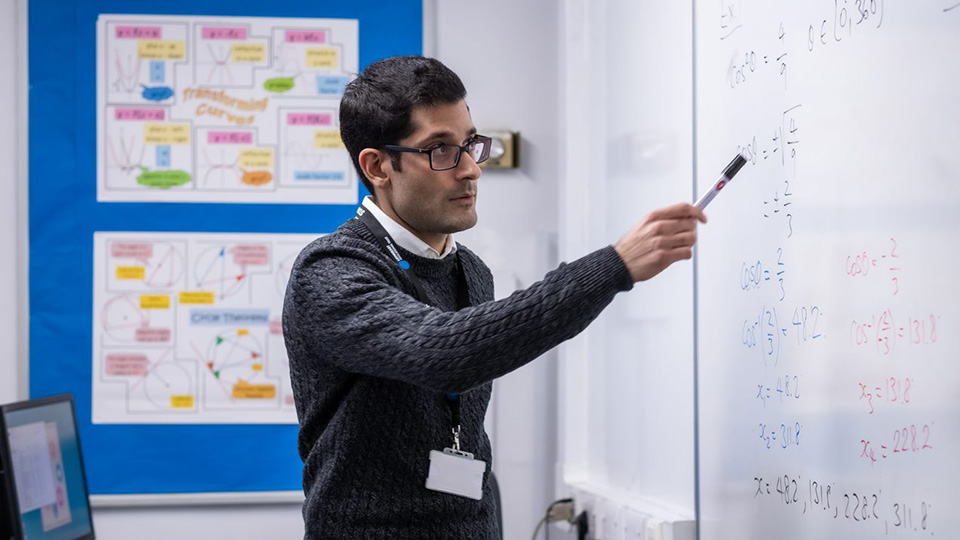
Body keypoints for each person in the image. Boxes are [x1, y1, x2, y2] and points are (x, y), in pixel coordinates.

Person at [282, 55, 706, 540]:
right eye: (440, 150)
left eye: (470, 145)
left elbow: (467, 438)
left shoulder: (470, 271)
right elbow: (445, 352)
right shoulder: (331, 271)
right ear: (378, 166)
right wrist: (613, 266)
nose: (470, 170)